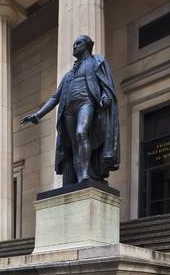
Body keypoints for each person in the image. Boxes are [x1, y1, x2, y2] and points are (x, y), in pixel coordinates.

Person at [21, 35, 119, 185]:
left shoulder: (96, 62)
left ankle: (85, 173)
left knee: (81, 133)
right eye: (74, 44)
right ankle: (79, 177)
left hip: (86, 102)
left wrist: (106, 96)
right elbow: (55, 97)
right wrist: (38, 114)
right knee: (73, 144)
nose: (74, 46)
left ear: (87, 45)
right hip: (68, 110)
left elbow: (106, 84)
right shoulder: (68, 75)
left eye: (78, 43)